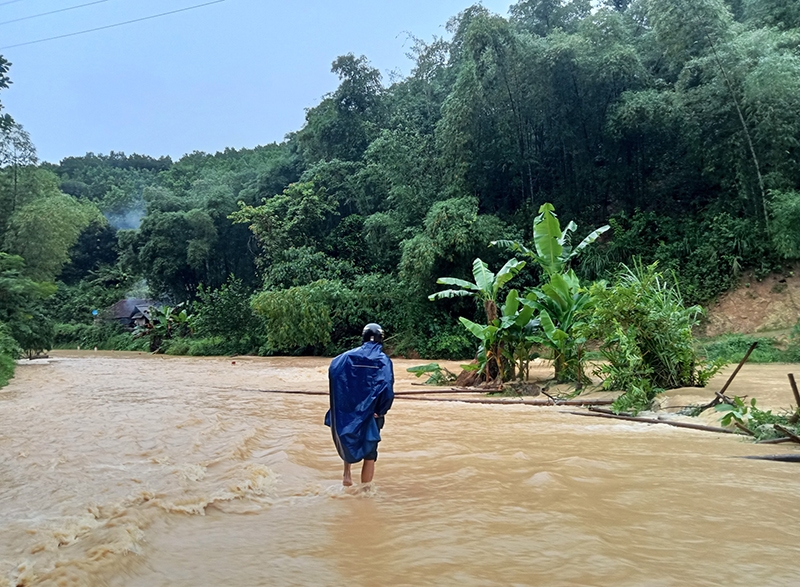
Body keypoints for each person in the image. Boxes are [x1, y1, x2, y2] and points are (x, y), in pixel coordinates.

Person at [325, 323, 394, 486]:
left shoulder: (344, 357)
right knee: (370, 453)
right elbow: (388, 387)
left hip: (348, 409)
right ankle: (365, 491)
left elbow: (334, 372)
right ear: (380, 339)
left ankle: (346, 474)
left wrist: (340, 402)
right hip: (371, 412)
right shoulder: (383, 360)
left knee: (347, 437)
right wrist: (381, 409)